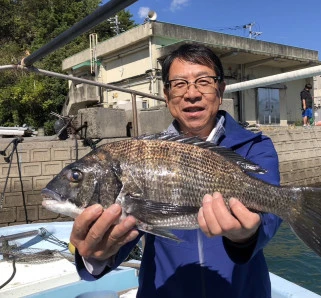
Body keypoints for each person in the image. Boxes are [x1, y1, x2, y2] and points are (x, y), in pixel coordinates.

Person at [70, 44, 282, 298]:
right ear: (167, 95)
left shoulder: (255, 146)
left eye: (203, 81)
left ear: (221, 89)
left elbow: (271, 214)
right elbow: (127, 229)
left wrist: (247, 235)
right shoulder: (142, 156)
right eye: (179, 84)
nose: (192, 94)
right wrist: (97, 254)